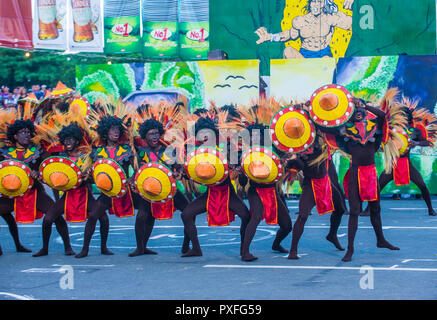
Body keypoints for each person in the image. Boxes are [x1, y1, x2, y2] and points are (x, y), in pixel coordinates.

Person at [0, 109, 73, 255]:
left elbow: (50, 166)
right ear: (15, 136)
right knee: (5, 215)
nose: (27, 134)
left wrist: (39, 173)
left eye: (28, 132)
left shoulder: (38, 150)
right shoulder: (4, 153)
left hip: (34, 193)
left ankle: (67, 247)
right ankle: (16, 245)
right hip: (11, 193)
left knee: (55, 216)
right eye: (22, 132)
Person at [336, 98, 399, 262]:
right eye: (355, 110)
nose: (358, 112)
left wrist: (365, 105)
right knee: (355, 212)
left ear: (365, 113)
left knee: (376, 209)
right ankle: (350, 250)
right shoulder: (345, 132)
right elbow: (326, 127)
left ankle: (381, 240)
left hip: (370, 174)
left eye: (360, 110)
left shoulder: (375, 130)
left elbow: (382, 117)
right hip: (355, 174)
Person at [32, 121, 106, 256]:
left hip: (84, 194)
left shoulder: (86, 157)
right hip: (68, 195)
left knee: (103, 218)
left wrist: (88, 177)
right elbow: (52, 178)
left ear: (77, 141)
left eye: (70, 139)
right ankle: (46, 248)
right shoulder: (60, 157)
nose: (67, 142)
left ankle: (96, 248)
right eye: (65, 140)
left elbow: (95, 179)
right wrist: (39, 176)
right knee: (48, 219)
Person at [181, 116, 251, 258]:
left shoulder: (226, 146)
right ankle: (194, 248)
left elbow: (238, 166)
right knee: (186, 214)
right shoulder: (197, 151)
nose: (204, 136)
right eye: (201, 133)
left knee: (246, 216)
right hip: (210, 193)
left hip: (227, 193)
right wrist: (184, 173)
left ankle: (244, 251)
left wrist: (236, 167)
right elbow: (191, 174)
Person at [75, 102, 135, 258]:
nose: (115, 132)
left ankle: (141, 248)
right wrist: (89, 172)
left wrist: (132, 179)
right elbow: (95, 172)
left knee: (145, 214)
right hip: (108, 191)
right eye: (112, 129)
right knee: (94, 216)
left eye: (117, 129)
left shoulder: (127, 150)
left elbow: (136, 170)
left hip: (126, 191)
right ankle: (86, 249)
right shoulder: (98, 152)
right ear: (105, 132)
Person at [129, 114, 191, 257]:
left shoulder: (168, 150)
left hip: (169, 190)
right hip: (149, 190)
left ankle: (186, 246)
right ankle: (141, 248)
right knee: (143, 217)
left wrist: (179, 172)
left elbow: (180, 167)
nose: (155, 136)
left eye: (157, 133)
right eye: (151, 134)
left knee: (188, 212)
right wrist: (132, 180)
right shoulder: (141, 153)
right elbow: (137, 172)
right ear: (145, 136)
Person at [255, 0, 354, 58]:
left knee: (326, 58)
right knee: (288, 51)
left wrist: (356, 3)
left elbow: (352, 24)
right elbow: (290, 35)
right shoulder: (300, 20)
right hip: (304, 57)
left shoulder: (331, 18)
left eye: (318, 2)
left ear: (323, 4)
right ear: (310, 4)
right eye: (313, 2)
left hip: (324, 56)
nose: (315, 5)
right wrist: (270, 37)